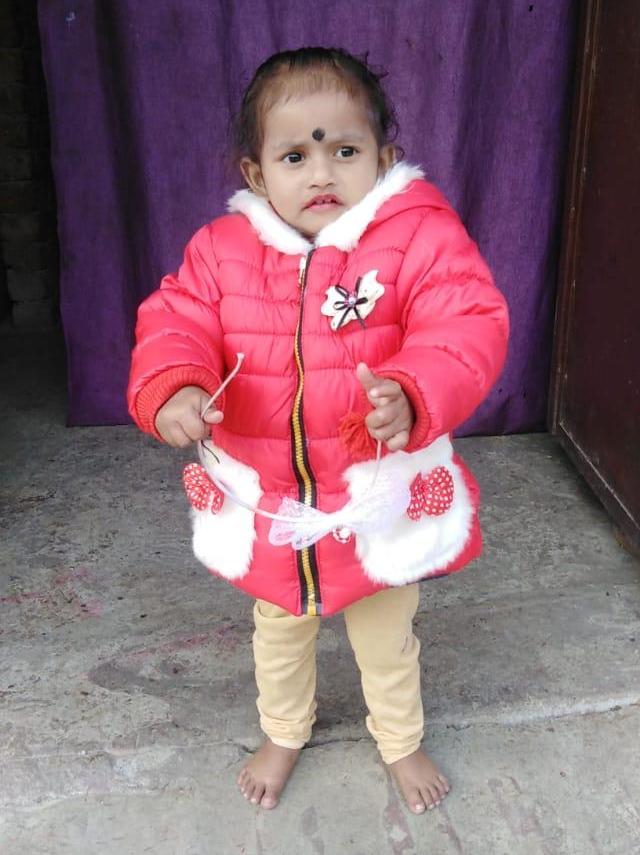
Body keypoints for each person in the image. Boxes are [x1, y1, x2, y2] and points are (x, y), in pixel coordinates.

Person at [127, 46, 509, 815]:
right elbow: (176, 321)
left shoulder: (418, 237)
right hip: (273, 501)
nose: (321, 173)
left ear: (384, 158)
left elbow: (464, 322)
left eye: (345, 150)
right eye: (295, 155)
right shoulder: (221, 253)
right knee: (278, 629)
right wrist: (177, 386)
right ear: (256, 173)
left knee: (386, 635)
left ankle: (400, 740)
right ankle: (283, 731)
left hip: (373, 495)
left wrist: (413, 391)